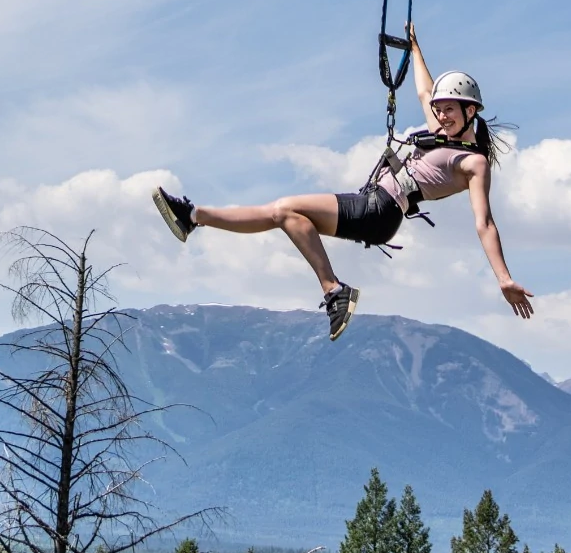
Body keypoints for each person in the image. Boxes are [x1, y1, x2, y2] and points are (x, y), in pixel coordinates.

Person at [152, 23, 534, 341]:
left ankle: (334, 290)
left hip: (382, 209)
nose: (441, 115)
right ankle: (194, 216)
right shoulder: (439, 130)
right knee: (283, 214)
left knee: (286, 209)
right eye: (439, 109)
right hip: (371, 203)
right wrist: (415, 48)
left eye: (449, 109)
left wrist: (504, 278)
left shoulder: (474, 162)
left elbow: (484, 223)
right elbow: (423, 89)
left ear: (470, 112)